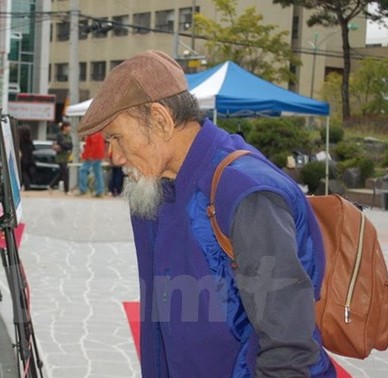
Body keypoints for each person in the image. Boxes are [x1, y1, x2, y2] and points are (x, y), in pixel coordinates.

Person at [77, 50, 336, 378]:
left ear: (161, 120)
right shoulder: (157, 189)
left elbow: (289, 346)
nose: (113, 156)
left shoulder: (245, 191)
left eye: (116, 137)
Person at [78, 132, 106, 197]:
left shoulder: (92, 132)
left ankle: (83, 190)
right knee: (98, 173)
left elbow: (93, 144)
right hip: (99, 154)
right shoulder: (99, 132)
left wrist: (89, 155)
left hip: (93, 155)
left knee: (83, 170)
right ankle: (100, 191)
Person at [53, 121, 73, 194]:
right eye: (68, 126)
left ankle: (51, 185)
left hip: (67, 157)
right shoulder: (59, 135)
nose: (70, 128)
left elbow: (70, 146)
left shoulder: (69, 136)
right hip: (60, 157)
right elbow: (62, 144)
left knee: (62, 173)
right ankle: (66, 190)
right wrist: (66, 146)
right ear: (64, 127)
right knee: (65, 173)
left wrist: (66, 146)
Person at [18, 124, 36, 191]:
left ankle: (24, 186)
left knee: (23, 173)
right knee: (26, 173)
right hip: (30, 158)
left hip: (23, 158)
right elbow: (33, 149)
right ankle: (27, 186)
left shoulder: (20, 140)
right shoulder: (29, 140)